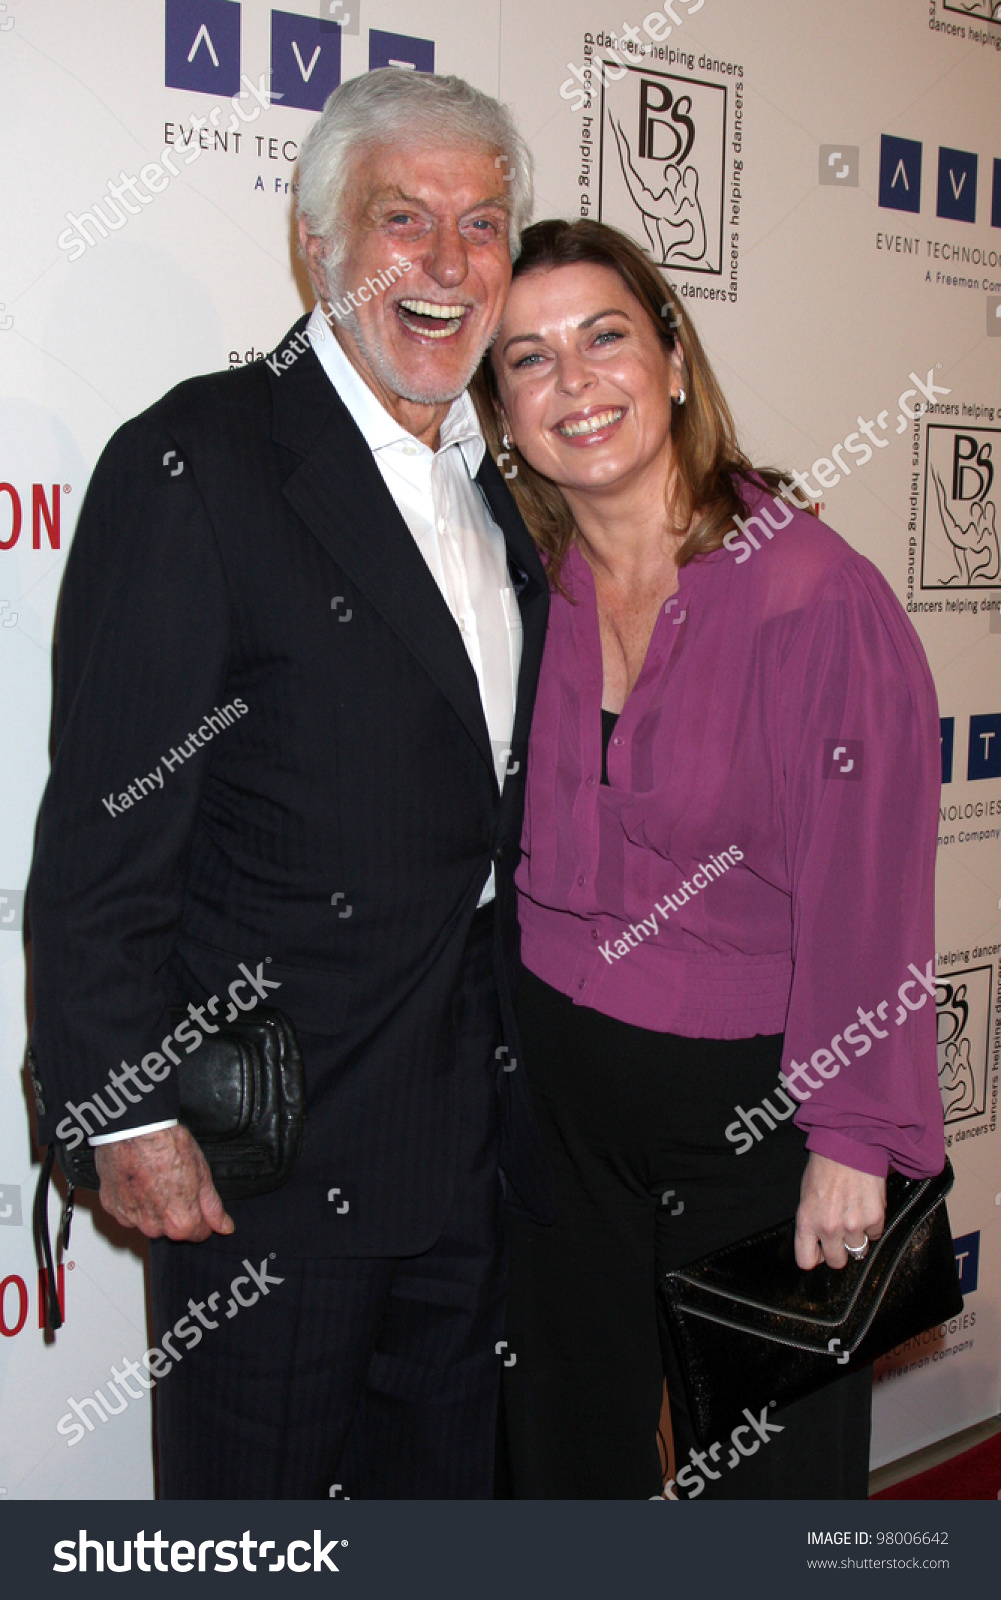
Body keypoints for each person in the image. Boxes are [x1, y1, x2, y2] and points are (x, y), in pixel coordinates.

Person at [27, 70, 553, 1500]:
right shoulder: (200, 461)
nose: (447, 265)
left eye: (485, 224)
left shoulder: (493, 494)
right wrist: (123, 1110)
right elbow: (105, 830)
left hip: (464, 1159)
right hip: (259, 1170)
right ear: (318, 247)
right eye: (404, 219)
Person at [474, 219, 944, 1499]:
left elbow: (871, 893)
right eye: (527, 359)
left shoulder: (808, 596)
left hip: (753, 1119)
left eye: (604, 337)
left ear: (674, 358)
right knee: (561, 1469)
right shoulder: (520, 581)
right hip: (553, 1104)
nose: (573, 384)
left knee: (770, 1497)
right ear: (500, 410)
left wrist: (852, 1134)